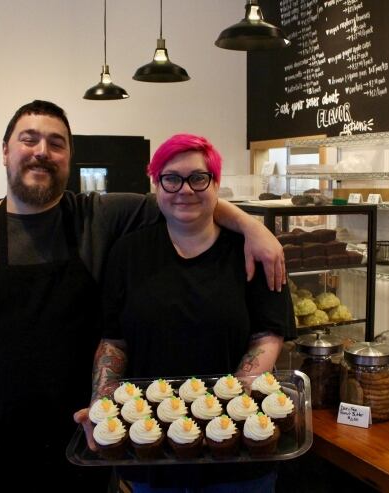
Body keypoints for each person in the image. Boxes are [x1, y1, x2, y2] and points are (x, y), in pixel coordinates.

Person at [0, 101, 286, 493]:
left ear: (69, 157)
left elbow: (184, 199)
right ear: (5, 151)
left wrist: (251, 226)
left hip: (90, 433)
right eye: (29, 139)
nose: (42, 151)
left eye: (57, 143)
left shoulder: (99, 216)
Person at [77, 134, 296, 492]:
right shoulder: (128, 253)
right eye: (171, 178)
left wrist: (231, 405)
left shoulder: (254, 251)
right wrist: (102, 404)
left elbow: (268, 333)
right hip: (151, 452)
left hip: (237, 453)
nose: (185, 190)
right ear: (156, 185)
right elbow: (114, 340)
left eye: (198, 177)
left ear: (216, 183)